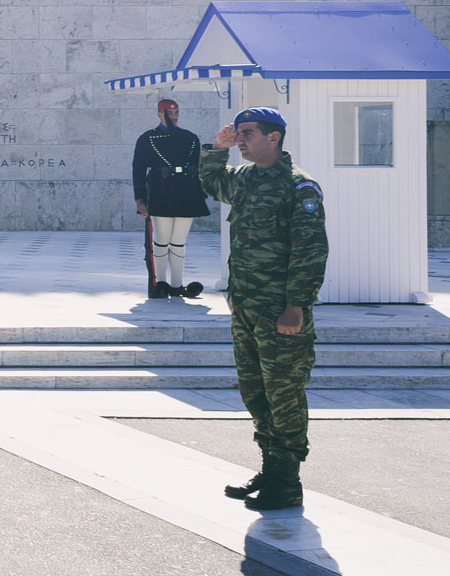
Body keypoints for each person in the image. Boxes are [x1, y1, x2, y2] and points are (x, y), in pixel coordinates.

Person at [199, 107, 329, 512]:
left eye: (248, 134)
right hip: (246, 306)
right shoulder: (244, 178)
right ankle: (270, 468)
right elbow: (210, 183)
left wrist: (297, 306)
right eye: (238, 134)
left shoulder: (299, 187)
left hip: (279, 310)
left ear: (274, 138)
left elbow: (311, 251)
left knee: (284, 392)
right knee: (256, 392)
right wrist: (215, 150)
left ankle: (288, 480)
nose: (241, 140)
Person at [132, 97, 210, 299]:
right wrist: (140, 200)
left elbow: (197, 169)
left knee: (178, 241)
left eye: (176, 113)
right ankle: (161, 283)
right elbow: (138, 170)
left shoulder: (190, 138)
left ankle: (177, 285)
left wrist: (201, 193)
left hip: (186, 191)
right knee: (161, 240)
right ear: (159, 114)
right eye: (169, 113)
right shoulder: (147, 138)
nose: (173, 117)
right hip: (161, 190)